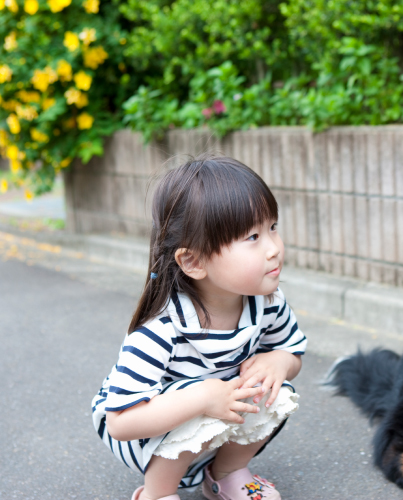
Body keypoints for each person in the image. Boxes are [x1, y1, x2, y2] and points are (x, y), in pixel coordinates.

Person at [91, 155, 307, 500]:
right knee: (197, 395)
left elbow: (293, 351)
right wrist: (203, 397)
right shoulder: (162, 328)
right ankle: (157, 493)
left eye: (273, 228)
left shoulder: (267, 302)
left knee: (274, 392)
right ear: (193, 260)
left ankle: (226, 474)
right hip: (149, 428)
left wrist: (280, 361)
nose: (274, 249)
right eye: (252, 237)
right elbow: (120, 422)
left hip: (220, 406)